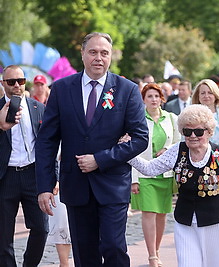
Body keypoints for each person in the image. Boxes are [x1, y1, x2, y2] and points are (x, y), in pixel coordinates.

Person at [35, 32, 149, 267]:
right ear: (83, 54)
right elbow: (47, 140)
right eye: (93, 52)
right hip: (76, 184)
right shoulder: (62, 88)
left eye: (104, 53)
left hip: (113, 184)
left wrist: (101, 159)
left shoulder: (126, 90)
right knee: (85, 253)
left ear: (110, 57)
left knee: (114, 246)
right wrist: (45, 186)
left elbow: (140, 138)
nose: (99, 58)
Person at [124, 104, 219, 267]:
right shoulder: (177, 151)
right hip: (185, 222)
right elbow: (149, 168)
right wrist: (127, 150)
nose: (193, 136)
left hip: (217, 222)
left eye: (199, 131)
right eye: (188, 132)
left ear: (209, 132)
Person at [0, 65, 48, 266]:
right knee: (3, 236)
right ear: (4, 84)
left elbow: (48, 146)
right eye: (11, 82)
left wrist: (51, 178)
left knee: (41, 228)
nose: (17, 86)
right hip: (6, 177)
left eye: (20, 81)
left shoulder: (38, 108)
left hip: (32, 174)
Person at [130, 83, 180, 267]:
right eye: (149, 96)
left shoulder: (171, 118)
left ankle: (157, 251)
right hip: (144, 173)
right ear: (143, 99)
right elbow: (132, 150)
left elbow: (177, 142)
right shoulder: (137, 120)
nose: (153, 100)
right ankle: (151, 255)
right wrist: (133, 179)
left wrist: (167, 149)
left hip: (165, 173)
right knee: (149, 212)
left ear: (162, 99)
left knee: (162, 214)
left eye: (156, 96)